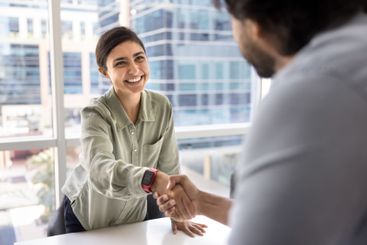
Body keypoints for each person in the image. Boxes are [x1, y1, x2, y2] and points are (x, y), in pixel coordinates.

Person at [156, 0, 367, 244]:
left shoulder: (315, 87)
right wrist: (203, 202)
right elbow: (295, 216)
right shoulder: (354, 54)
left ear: (254, 24)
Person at [61, 26, 206, 237]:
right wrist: (151, 179)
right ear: (105, 72)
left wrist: (177, 215)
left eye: (139, 58)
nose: (135, 69)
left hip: (134, 215)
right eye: (121, 63)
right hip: (89, 216)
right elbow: (100, 169)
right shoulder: (95, 114)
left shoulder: (161, 106)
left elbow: (170, 165)